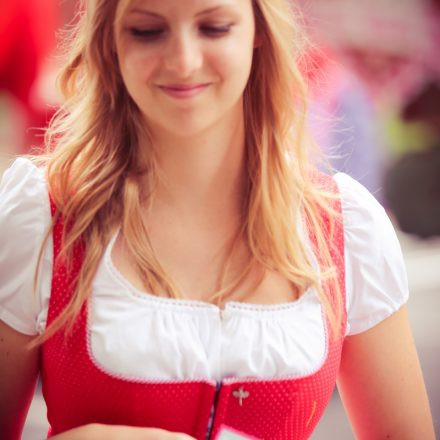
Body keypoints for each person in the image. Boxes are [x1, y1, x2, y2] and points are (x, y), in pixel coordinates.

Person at [0, 0, 435, 439]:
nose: (184, 62)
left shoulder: (346, 226)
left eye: (213, 28)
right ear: (109, 43)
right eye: (148, 32)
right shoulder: (41, 218)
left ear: (258, 32)